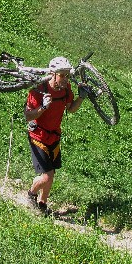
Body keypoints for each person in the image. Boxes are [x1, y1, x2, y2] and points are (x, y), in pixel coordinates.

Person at [25, 56, 89, 215]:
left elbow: (71, 109)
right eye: (62, 75)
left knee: (51, 175)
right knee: (46, 176)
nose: (66, 79)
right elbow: (28, 116)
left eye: (67, 75)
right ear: (53, 74)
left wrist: (81, 97)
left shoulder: (66, 90)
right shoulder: (39, 90)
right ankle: (31, 194)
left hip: (54, 137)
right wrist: (42, 108)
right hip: (38, 135)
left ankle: (42, 203)